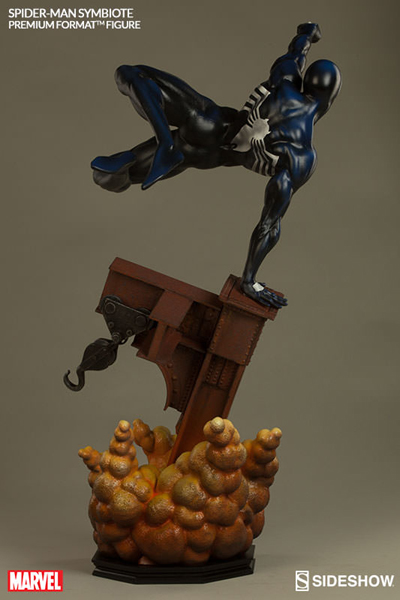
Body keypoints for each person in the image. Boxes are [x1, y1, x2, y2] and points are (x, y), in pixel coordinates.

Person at [91, 23, 341, 308]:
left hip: (207, 121)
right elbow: (270, 223)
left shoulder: (285, 77)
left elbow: (297, 49)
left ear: (305, 79)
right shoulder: (302, 155)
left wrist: (308, 33)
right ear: (330, 98)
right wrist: (249, 280)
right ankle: (167, 146)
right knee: (112, 178)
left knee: (130, 74)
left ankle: (164, 142)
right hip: (208, 156)